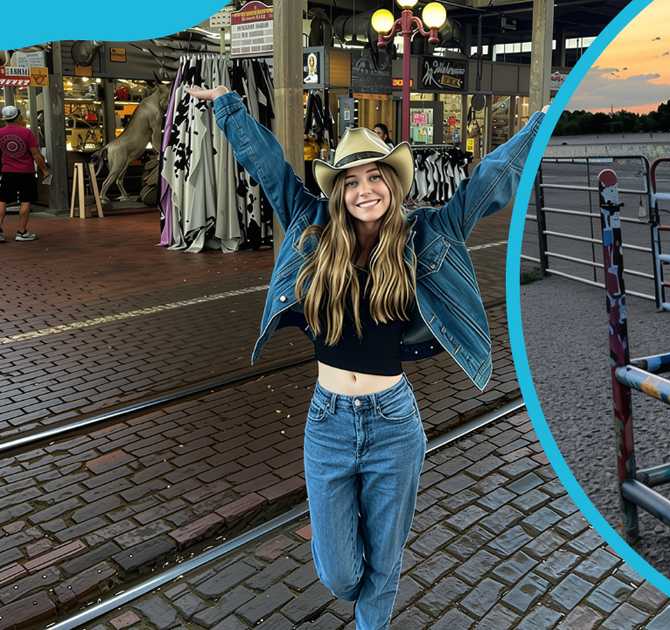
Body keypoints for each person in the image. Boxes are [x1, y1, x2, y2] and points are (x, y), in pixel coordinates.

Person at [186, 84, 543, 629]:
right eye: (351, 181)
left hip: (394, 422)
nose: (364, 189)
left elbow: (490, 181)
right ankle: (361, 592)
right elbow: (268, 168)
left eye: (375, 176)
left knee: (387, 559)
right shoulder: (313, 227)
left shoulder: (427, 233)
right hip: (327, 421)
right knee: (340, 573)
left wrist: (541, 120)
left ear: (393, 183)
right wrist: (228, 106)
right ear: (338, 192)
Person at [0, 105, 48, 242]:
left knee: (2, 200)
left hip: (7, 172)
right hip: (26, 172)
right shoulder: (26, 133)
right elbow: (36, 155)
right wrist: (44, 170)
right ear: (18, 117)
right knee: (25, 201)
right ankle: (21, 232)